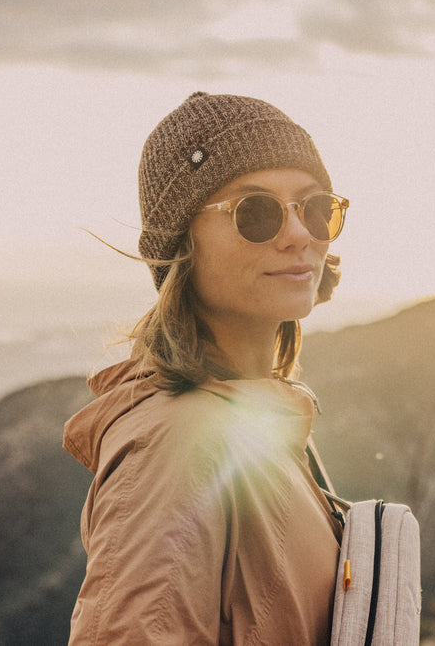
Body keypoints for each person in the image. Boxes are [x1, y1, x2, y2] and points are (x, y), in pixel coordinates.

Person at [63, 92, 350, 644]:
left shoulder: (250, 411)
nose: (300, 234)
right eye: (257, 212)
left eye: (317, 208)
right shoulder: (174, 444)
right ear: (180, 243)